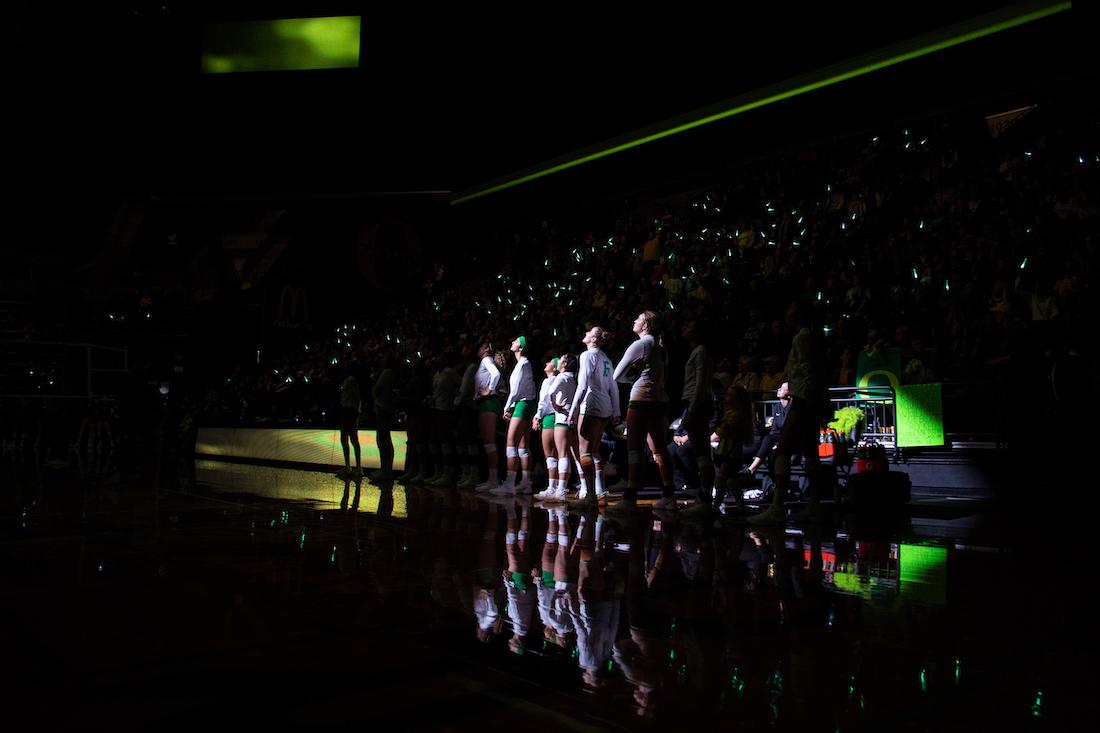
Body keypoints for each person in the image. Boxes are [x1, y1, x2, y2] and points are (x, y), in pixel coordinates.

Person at [751, 302, 826, 524]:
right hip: (810, 400)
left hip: (803, 401)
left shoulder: (802, 339)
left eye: (792, 313)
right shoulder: (812, 338)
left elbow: (806, 374)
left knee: (782, 450)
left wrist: (803, 401)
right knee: (811, 454)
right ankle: (814, 505)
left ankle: (777, 507)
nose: (788, 317)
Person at [610, 311, 675, 514]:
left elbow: (617, 375)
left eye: (638, 318)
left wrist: (632, 378)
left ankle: (630, 497)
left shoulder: (641, 344)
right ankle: (669, 495)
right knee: (659, 448)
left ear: (645, 324)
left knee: (634, 448)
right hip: (659, 400)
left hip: (640, 399)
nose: (634, 320)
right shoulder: (660, 346)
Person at [567, 327, 621, 510]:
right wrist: (616, 410)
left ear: (594, 339)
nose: (586, 332)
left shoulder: (587, 355)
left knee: (584, 451)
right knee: (595, 451)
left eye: (589, 331)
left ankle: (589, 496)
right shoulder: (606, 358)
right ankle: (599, 491)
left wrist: (572, 410)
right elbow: (614, 387)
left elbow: (582, 385)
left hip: (591, 405)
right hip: (605, 407)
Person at [493, 335, 537, 495]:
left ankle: (509, 484)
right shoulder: (523, 364)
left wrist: (507, 407)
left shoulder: (523, 364)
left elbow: (516, 390)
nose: (512, 342)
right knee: (523, 446)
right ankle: (525, 483)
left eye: (516, 341)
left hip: (522, 404)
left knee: (511, 443)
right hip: (527, 404)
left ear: (522, 347)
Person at [678, 318, 715, 506]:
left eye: (689, 324)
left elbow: (701, 383)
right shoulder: (696, 352)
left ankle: (705, 496)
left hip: (699, 404)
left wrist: (691, 409)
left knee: (702, 451)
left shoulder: (700, 352)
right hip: (697, 404)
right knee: (701, 452)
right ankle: (704, 495)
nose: (685, 327)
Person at [539, 352, 579, 503]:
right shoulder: (573, 379)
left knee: (562, 454)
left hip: (562, 418)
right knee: (571, 454)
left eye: (561, 360)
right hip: (572, 418)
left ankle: (561, 489)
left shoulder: (562, 377)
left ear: (564, 364)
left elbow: (551, 392)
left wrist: (555, 405)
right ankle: (565, 488)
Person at [473, 343, 506, 492]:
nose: (478, 349)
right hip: (485, 403)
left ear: (486, 349)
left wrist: (490, 390)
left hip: (489, 402)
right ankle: (492, 478)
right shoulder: (484, 362)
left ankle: (493, 480)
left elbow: (496, 374)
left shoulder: (487, 360)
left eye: (480, 347)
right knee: (487, 442)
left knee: (490, 442)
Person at [533, 356, 560, 498]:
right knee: (558, 455)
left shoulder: (548, 381)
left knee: (550, 455)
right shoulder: (560, 380)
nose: (546, 362)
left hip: (549, 418)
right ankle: (557, 487)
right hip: (559, 417)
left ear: (554, 368)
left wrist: (537, 416)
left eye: (549, 362)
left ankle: (552, 488)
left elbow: (543, 401)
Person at [369, 354, 397, 483]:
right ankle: (386, 469)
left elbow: (375, 391)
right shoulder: (391, 373)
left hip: (383, 408)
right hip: (387, 408)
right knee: (385, 439)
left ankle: (385, 469)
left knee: (382, 439)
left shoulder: (386, 372)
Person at [337, 363, 363, 477]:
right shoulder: (348, 380)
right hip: (346, 410)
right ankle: (350, 466)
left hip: (350, 411)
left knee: (352, 438)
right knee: (346, 438)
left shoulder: (351, 380)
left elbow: (357, 396)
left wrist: (357, 411)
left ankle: (357, 467)